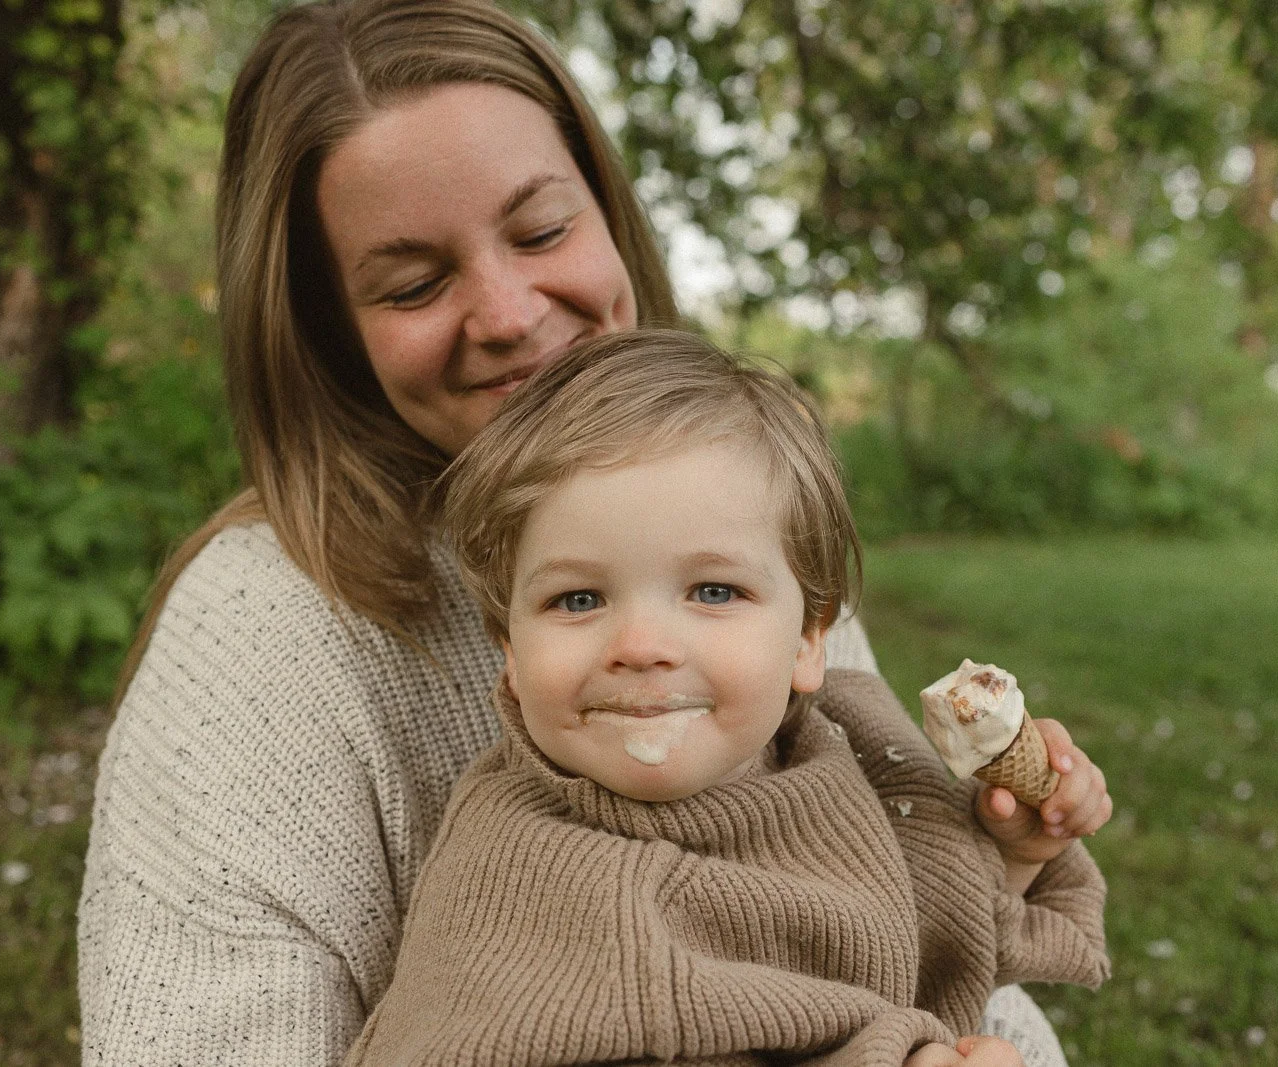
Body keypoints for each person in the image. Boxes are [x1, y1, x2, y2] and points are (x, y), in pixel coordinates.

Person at [75, 0, 1106, 1062]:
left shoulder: (730, 503)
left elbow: (897, 936)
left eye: (542, 230)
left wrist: (1000, 867)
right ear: (331, 328)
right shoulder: (259, 632)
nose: (512, 314)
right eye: (415, 282)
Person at [345, 331, 1111, 1066]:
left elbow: (940, 940)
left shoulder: (851, 761)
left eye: (713, 590)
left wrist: (1017, 849)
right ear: (510, 652)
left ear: (811, 637)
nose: (641, 644)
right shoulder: (517, 865)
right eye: (578, 599)